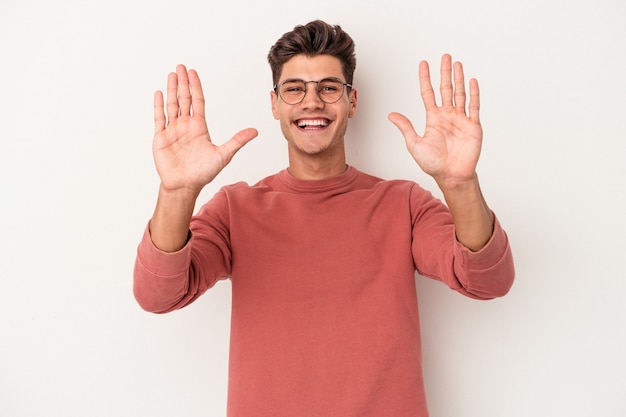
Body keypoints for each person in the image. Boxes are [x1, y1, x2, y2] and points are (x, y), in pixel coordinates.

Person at [134, 19, 514, 417]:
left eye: (328, 88)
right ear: (275, 104)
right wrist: (177, 193)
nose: (311, 102)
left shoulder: (402, 203)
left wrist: (459, 183)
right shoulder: (236, 208)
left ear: (351, 102)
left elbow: (489, 281)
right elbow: (157, 294)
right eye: (294, 89)